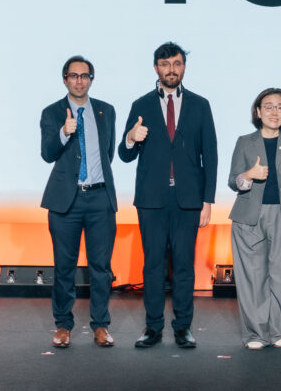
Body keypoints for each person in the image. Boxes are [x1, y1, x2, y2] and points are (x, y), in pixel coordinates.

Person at [119, 42, 218, 350]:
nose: (171, 69)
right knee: (153, 266)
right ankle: (152, 327)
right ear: (156, 68)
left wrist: (207, 200)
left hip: (188, 200)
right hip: (151, 200)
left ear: (184, 67)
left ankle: (183, 327)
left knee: (185, 266)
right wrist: (131, 138)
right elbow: (124, 154)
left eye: (176, 63)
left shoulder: (200, 105)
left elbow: (210, 155)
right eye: (165, 64)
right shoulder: (141, 105)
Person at [39, 55, 118, 349]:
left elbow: (107, 154)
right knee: (64, 268)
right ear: (65, 80)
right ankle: (63, 325)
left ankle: (100, 325)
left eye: (85, 76)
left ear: (91, 80)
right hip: (65, 201)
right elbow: (47, 153)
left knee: (101, 268)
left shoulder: (106, 111)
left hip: (100, 198)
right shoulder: (52, 112)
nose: (79, 81)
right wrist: (64, 132)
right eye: (73, 75)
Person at [228, 88, 281, 349]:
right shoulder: (244, 142)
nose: (275, 112)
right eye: (269, 106)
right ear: (258, 111)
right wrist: (249, 176)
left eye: (280, 107)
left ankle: (279, 332)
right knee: (252, 277)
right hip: (249, 216)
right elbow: (234, 181)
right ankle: (255, 334)